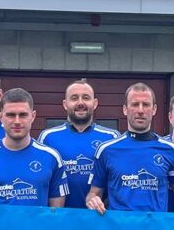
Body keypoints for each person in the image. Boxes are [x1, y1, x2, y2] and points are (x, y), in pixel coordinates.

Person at [85, 82, 174, 215]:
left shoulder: (170, 150)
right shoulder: (106, 150)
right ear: (125, 109)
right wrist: (93, 201)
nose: (140, 110)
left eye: (146, 104)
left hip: (156, 226)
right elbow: (93, 193)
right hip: (118, 226)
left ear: (154, 109)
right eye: (135, 104)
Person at [0, 88, 67, 207]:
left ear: (33, 116)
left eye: (23, 115)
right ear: (0, 116)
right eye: (11, 115)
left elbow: (56, 212)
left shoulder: (51, 157)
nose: (17, 121)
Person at [37, 79, 119, 209]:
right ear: (65, 104)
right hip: (59, 216)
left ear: (95, 103)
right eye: (74, 98)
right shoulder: (48, 137)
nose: (80, 103)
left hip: (99, 216)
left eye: (86, 98)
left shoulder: (111, 138)